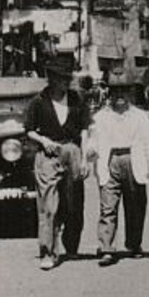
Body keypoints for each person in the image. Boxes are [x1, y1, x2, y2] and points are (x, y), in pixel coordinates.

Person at [23, 60, 93, 270]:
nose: (65, 83)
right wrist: (44, 141)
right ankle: (48, 252)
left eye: (67, 79)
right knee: (48, 205)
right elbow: (28, 129)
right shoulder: (38, 101)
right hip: (48, 154)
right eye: (61, 79)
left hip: (72, 150)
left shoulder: (77, 99)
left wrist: (83, 158)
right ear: (51, 80)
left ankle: (71, 245)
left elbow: (84, 129)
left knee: (74, 203)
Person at [86, 78, 149, 266]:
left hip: (133, 159)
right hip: (109, 160)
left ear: (130, 94)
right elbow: (93, 138)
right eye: (115, 92)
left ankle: (134, 244)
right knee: (108, 207)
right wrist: (90, 150)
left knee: (136, 205)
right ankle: (106, 248)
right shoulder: (101, 117)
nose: (119, 96)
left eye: (124, 91)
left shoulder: (140, 116)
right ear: (109, 94)